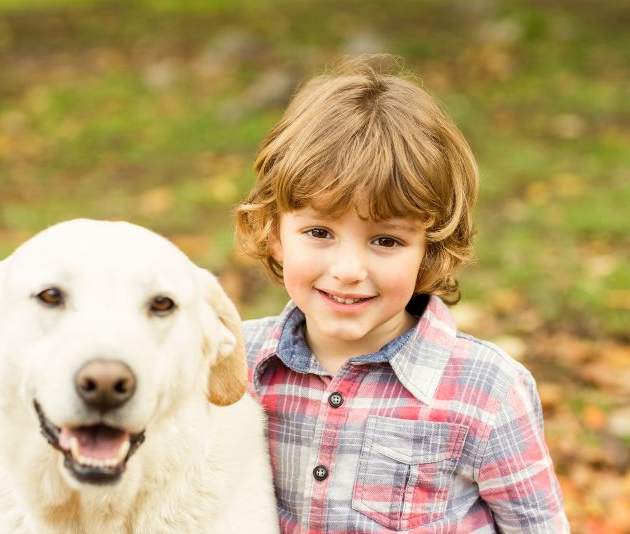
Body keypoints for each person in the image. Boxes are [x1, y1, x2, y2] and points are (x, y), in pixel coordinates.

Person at [234, 58, 569, 533]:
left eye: (385, 241)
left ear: (428, 251)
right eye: (319, 232)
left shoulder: (485, 390)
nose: (348, 271)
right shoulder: (233, 366)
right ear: (274, 234)